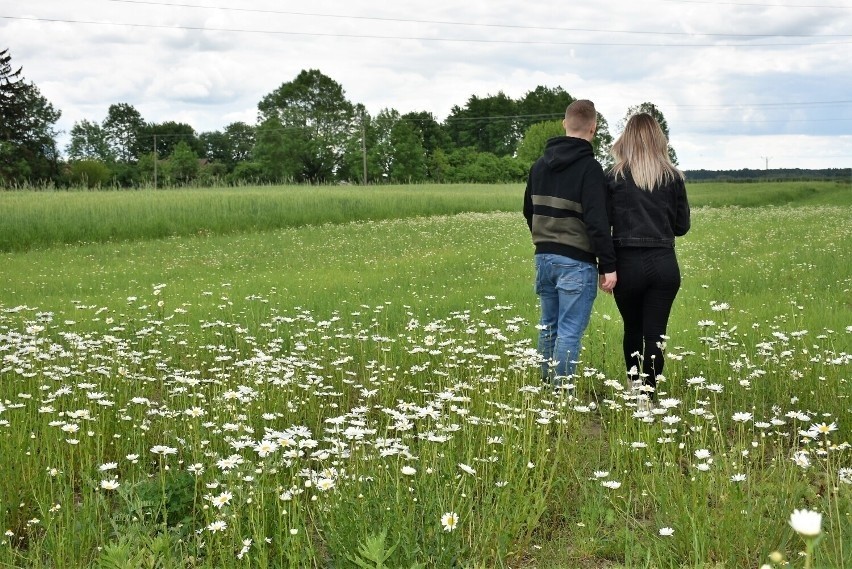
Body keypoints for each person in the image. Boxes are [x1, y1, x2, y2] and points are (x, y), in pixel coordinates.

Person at [523, 99, 617, 389]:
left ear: (564, 123)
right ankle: (561, 394)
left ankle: (545, 389)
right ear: (594, 128)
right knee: (569, 331)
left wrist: (546, 237)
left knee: (548, 326)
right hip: (576, 262)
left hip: (544, 256)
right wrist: (608, 266)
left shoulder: (539, 166)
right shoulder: (590, 168)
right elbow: (597, 221)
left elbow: (529, 210)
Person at [606, 112, 691, 405]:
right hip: (663, 263)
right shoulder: (674, 177)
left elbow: (604, 224)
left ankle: (633, 386)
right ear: (660, 139)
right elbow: (682, 227)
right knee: (656, 333)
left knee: (632, 328)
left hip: (626, 264)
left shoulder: (614, 176)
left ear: (626, 139)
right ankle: (649, 396)